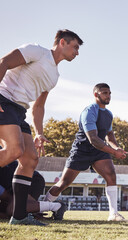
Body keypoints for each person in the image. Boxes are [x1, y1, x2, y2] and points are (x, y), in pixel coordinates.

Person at [0, 29, 83, 226]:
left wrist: (39, 132)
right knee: (14, 150)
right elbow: (3, 62)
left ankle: (19, 216)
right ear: (62, 42)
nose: (77, 53)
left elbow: (38, 106)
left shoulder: (54, 76)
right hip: (4, 100)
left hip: (20, 111)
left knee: (30, 159)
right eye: (75, 47)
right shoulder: (36, 51)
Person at [44, 83, 128, 222]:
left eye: (109, 93)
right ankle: (40, 208)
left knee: (111, 175)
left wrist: (116, 147)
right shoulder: (89, 111)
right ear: (96, 94)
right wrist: (114, 152)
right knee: (63, 184)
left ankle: (113, 214)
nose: (108, 96)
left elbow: (109, 135)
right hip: (82, 150)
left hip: (99, 151)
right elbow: (93, 139)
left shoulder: (108, 114)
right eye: (105, 93)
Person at [0, 161, 67, 222]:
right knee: (12, 211)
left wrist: (25, 209)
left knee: (14, 211)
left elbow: (6, 196)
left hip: (29, 179)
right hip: (13, 185)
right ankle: (31, 211)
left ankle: (56, 206)